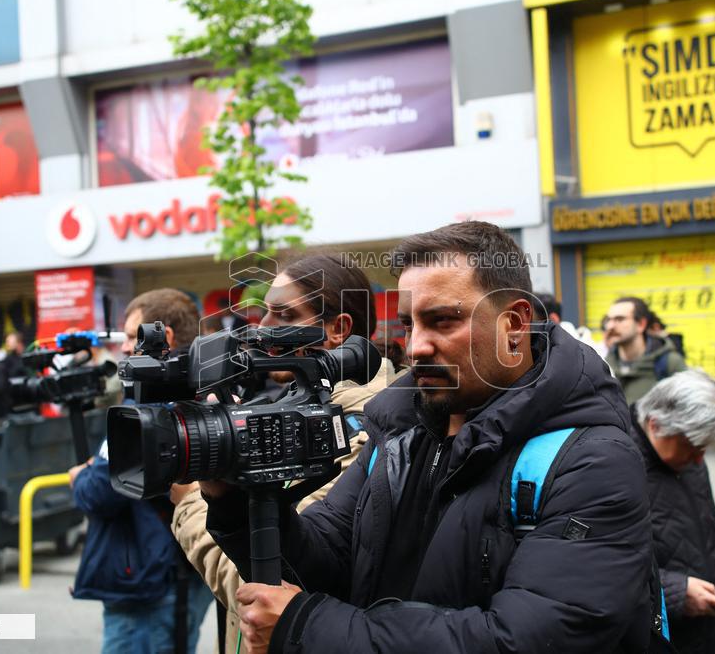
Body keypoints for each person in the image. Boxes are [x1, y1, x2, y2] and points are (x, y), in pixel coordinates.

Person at [200, 221, 656, 653]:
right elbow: (325, 562)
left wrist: (306, 627)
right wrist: (232, 500)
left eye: (442, 321)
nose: (416, 345)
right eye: (409, 324)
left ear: (513, 325)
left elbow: (520, 639)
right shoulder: (397, 432)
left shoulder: (594, 461)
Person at [169, 254, 399, 654]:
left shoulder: (364, 429)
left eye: (284, 315)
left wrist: (190, 499)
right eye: (264, 313)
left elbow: (260, 586)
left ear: (336, 330)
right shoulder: (289, 405)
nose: (263, 328)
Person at [68, 288, 212, 654]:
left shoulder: (148, 404)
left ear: (162, 338)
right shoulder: (206, 390)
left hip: (148, 584)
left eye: (133, 336)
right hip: (180, 573)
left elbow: (98, 493)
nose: (125, 347)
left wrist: (80, 476)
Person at [632, 370, 715, 653]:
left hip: (706, 630)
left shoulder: (687, 457)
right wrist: (674, 593)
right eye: (693, 447)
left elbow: (708, 519)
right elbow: (602, 561)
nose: (699, 458)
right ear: (656, 425)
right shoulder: (615, 463)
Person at [605, 296, 687, 403]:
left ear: (641, 324)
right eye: (609, 320)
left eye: (620, 319)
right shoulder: (604, 365)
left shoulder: (669, 363)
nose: (610, 326)